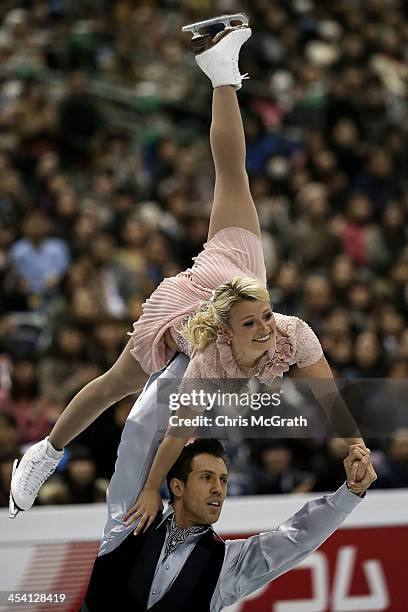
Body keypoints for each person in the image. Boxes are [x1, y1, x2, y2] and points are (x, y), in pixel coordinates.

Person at [9, 15, 367, 521]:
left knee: (232, 173)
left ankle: (221, 69)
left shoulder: (293, 334)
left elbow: (331, 400)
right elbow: (177, 434)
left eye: (267, 318)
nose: (268, 329)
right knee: (119, 383)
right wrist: (153, 488)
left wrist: (356, 445)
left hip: (236, 268)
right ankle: (44, 452)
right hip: (189, 301)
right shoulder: (207, 361)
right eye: (257, 323)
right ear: (228, 332)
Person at [79, 355, 376, 611]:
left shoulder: (226, 564)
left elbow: (298, 538)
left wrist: (351, 493)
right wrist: (191, 354)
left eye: (223, 480)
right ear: (177, 486)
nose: (218, 489)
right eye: (206, 477)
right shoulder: (131, 520)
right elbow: (140, 434)